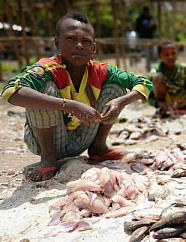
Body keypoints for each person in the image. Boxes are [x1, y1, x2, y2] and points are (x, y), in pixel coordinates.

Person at [1, 11, 153, 182]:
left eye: (86, 41)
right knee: (44, 89)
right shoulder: (47, 68)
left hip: (82, 139)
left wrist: (120, 101)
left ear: (93, 48)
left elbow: (144, 83)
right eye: (71, 39)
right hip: (45, 142)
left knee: (116, 88)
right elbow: (11, 91)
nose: (80, 45)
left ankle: (98, 148)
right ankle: (48, 158)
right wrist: (70, 105)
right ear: (57, 42)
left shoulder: (101, 71)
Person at [148, 41, 186, 118]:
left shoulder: (183, 68)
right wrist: (158, 103)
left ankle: (185, 108)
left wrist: (185, 100)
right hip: (166, 101)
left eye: (173, 53)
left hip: (181, 100)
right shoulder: (154, 72)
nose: (170, 57)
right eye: (166, 55)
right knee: (157, 78)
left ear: (176, 54)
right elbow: (149, 96)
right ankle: (164, 109)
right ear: (159, 56)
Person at [135, 6, 157, 72]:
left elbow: (154, 28)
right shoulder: (140, 19)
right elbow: (137, 28)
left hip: (151, 39)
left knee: (154, 54)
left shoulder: (151, 18)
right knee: (148, 55)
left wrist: (152, 25)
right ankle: (148, 69)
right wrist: (146, 27)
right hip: (144, 39)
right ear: (145, 11)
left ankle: (155, 68)